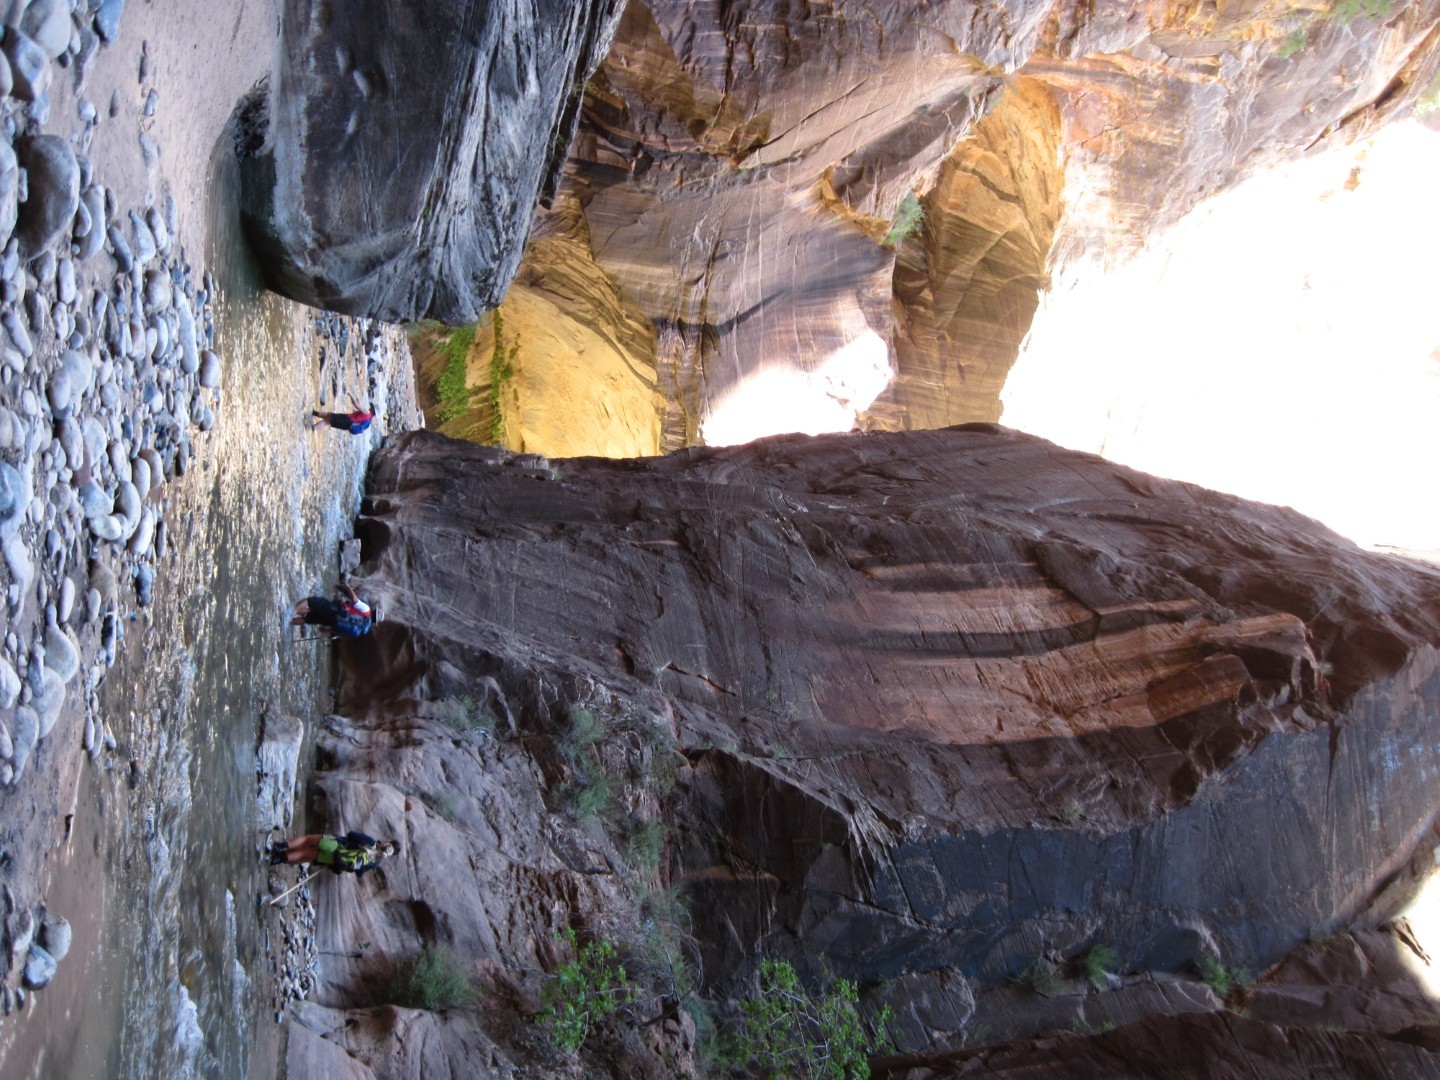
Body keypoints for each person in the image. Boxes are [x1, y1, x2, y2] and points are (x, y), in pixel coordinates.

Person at [268, 831, 399, 875]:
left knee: (307, 840)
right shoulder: (375, 862)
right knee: (305, 856)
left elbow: (351, 834)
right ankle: (277, 859)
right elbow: (359, 872)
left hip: (336, 844)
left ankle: (280, 847)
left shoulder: (371, 842)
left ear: (387, 842)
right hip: (335, 859)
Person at [291, 577, 372, 636]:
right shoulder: (361, 627)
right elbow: (342, 631)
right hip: (333, 622)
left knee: (310, 601)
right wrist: (327, 629)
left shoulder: (366, 610)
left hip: (335, 610)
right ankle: (289, 622)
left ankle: (291, 612)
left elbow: (354, 599)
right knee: (307, 618)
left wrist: (347, 587)